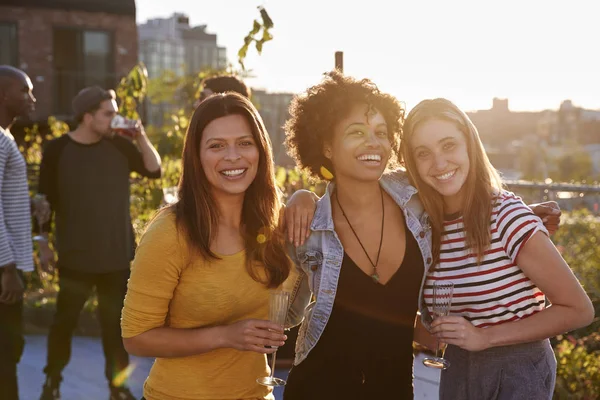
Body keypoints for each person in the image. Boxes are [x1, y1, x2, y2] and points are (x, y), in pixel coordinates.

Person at [281, 71, 564, 399]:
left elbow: (461, 191)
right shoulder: (306, 225)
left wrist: (524, 211)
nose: (373, 142)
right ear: (326, 146)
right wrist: (298, 199)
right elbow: (284, 314)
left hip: (396, 389)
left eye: (381, 132)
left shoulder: (416, 200)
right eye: (356, 132)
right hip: (318, 389)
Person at [401, 98, 593, 399]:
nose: (438, 164)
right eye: (423, 153)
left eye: (448, 145)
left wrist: (485, 337)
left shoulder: (507, 215)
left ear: (469, 146)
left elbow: (579, 310)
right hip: (457, 369)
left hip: (516, 372)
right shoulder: (424, 226)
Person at [121, 92, 292, 400]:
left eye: (244, 142)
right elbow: (136, 338)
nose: (233, 156)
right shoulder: (170, 233)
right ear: (197, 157)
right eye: (216, 146)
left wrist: (305, 198)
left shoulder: (274, 223)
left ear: (261, 150)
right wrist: (225, 336)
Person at [37, 86, 162, 400]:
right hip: (74, 256)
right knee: (63, 323)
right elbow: (44, 201)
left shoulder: (121, 146)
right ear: (87, 116)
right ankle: (52, 382)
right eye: (108, 113)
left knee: (114, 328)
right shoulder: (56, 150)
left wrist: (141, 136)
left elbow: (154, 169)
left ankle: (117, 387)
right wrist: (44, 244)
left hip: (116, 256)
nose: (114, 118)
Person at [0, 65, 36, 400]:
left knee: (11, 350)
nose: (32, 98)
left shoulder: (5, 137)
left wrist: (32, 202)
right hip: (1, 271)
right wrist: (6, 269)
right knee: (6, 354)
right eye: (24, 91)